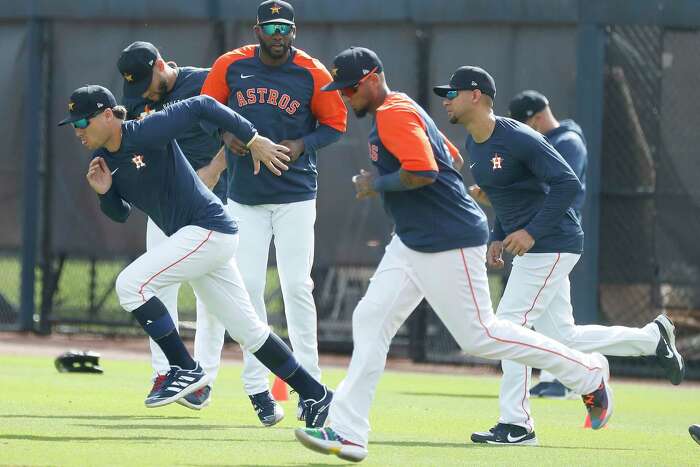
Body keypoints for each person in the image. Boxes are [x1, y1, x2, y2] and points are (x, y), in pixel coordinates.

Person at [294, 47, 613, 463]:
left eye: (351, 87)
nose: (346, 96)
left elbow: (424, 170)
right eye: (341, 90)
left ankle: (586, 371)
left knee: (480, 335)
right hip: (411, 240)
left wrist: (378, 183)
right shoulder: (404, 107)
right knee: (370, 318)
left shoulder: (394, 113)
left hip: (448, 238)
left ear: (374, 79)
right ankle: (349, 431)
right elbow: (452, 156)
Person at [58, 84, 333, 428]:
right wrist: (105, 194)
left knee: (131, 284)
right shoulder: (103, 160)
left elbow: (203, 103)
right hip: (201, 238)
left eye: (83, 121)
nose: (78, 130)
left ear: (109, 115)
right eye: (73, 124)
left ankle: (184, 367)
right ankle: (315, 392)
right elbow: (120, 213)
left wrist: (251, 138)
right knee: (249, 330)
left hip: (207, 230)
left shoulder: (146, 129)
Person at [435, 68, 684, 445]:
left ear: (476, 95)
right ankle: (653, 339)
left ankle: (517, 424)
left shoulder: (518, 136)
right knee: (562, 335)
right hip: (535, 248)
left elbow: (568, 183)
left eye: (451, 93)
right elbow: (505, 198)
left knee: (507, 328)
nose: (445, 100)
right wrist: (498, 236)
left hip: (553, 242)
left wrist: (531, 231)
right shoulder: (474, 145)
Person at [200, 0, 347, 426]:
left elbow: (334, 124)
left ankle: (311, 388)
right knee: (245, 290)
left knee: (296, 286)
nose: (279, 34)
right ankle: (258, 388)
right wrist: (227, 134)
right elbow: (207, 111)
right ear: (257, 30)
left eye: (285, 27)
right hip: (244, 194)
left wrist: (301, 145)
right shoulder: (230, 65)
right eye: (272, 27)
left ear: (295, 31)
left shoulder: (312, 71)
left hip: (295, 194)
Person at [117, 40, 228, 411]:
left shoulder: (205, 83)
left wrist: (212, 171)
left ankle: (203, 380)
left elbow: (240, 131)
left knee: (210, 296)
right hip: (164, 204)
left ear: (161, 64)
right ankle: (166, 371)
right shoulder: (135, 97)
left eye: (146, 82)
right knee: (155, 284)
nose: (143, 93)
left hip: (212, 201)